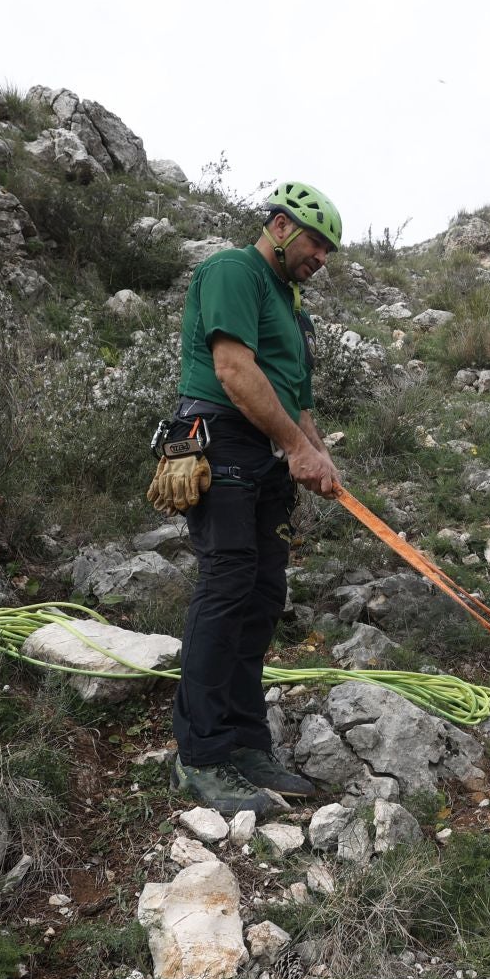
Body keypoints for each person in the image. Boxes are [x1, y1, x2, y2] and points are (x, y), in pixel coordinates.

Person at [155, 181, 344, 815]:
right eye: (317, 242)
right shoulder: (232, 269)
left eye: (329, 251)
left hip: (268, 449)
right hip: (224, 440)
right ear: (280, 226)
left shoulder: (291, 305)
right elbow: (235, 371)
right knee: (228, 584)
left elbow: (297, 397)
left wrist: (317, 454)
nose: (322, 258)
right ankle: (201, 755)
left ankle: (246, 742)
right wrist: (296, 448)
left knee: (263, 595)